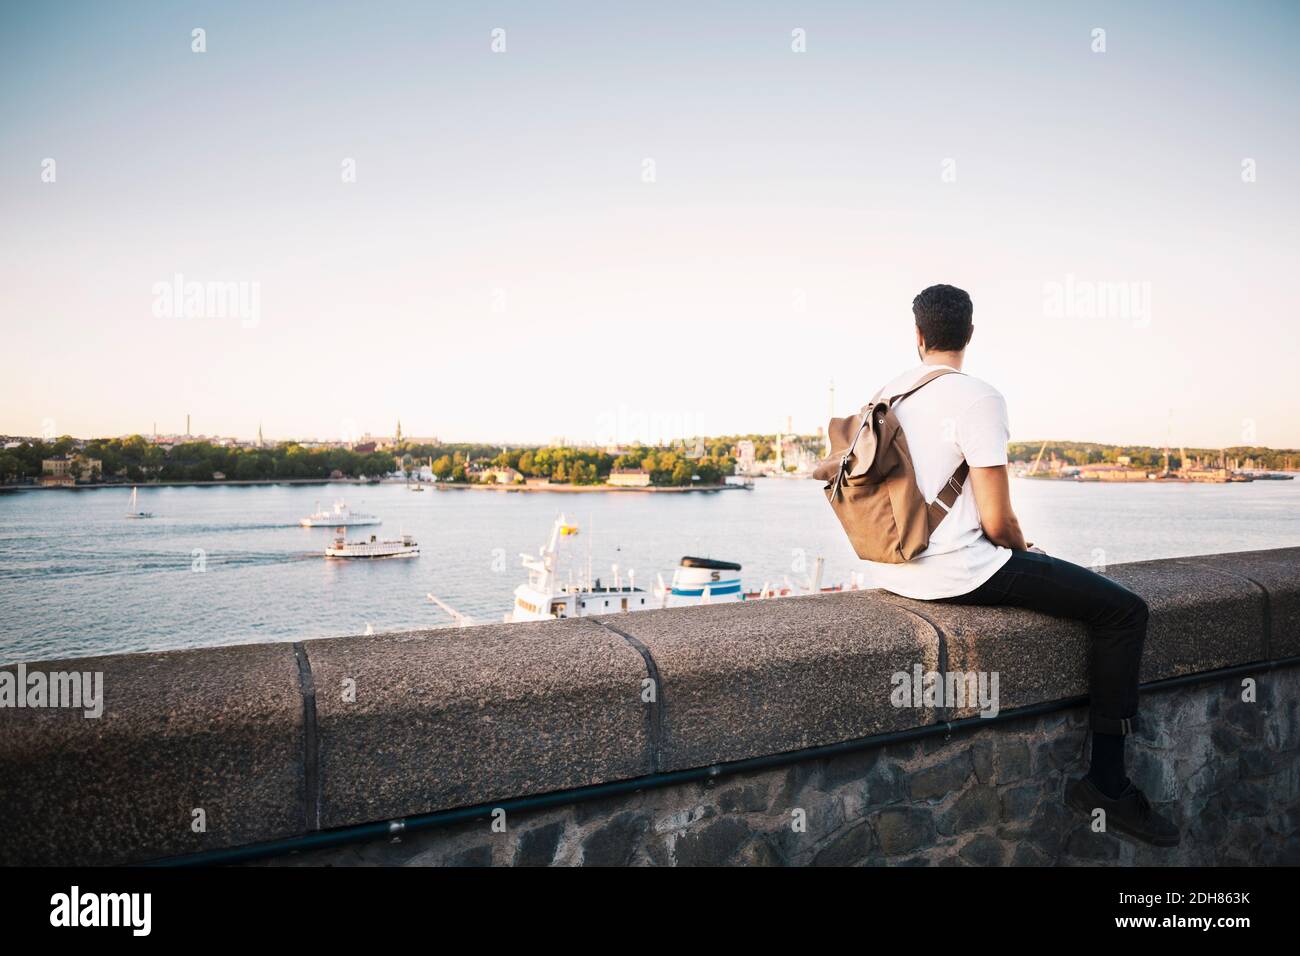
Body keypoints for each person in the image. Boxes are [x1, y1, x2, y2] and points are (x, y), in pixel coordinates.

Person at [862, 283, 1179, 848]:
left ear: (917, 336)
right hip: (960, 572)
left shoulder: (885, 395)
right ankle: (1107, 781)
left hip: (892, 569)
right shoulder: (978, 397)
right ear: (970, 334)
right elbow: (997, 523)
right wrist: (1027, 548)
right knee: (1123, 610)